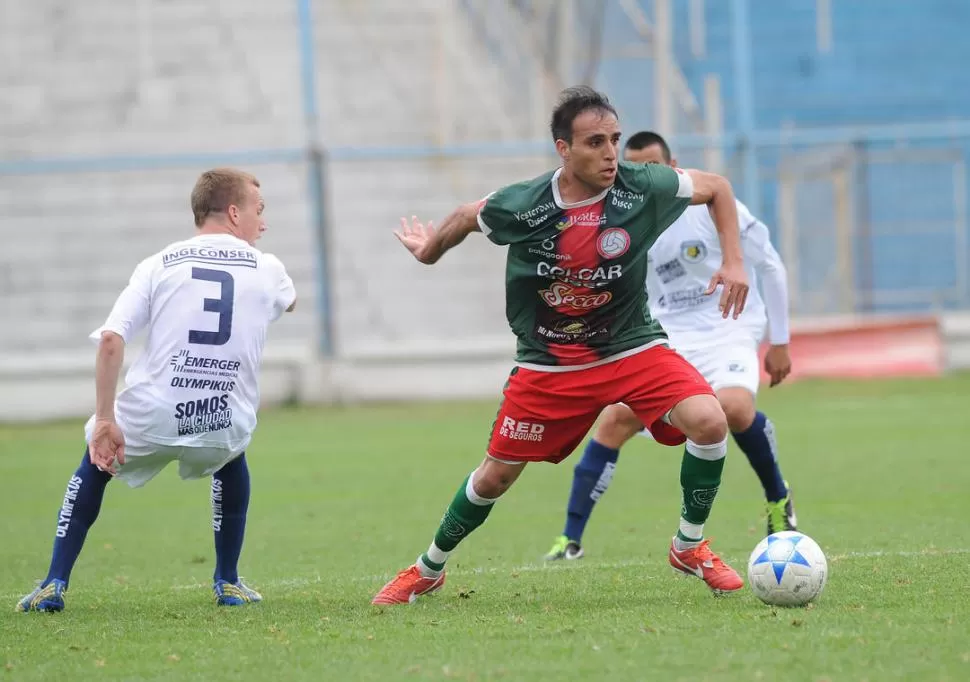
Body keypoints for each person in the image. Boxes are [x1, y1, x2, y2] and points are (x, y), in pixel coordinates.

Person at [371, 86, 751, 606]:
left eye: (615, 139)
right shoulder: (524, 204)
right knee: (495, 477)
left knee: (709, 420)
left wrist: (734, 260)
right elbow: (465, 216)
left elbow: (718, 188)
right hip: (550, 363)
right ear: (563, 150)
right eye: (596, 142)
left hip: (630, 347)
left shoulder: (641, 187)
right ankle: (428, 568)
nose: (611, 152)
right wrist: (428, 252)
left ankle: (689, 544)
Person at [16, 168, 296, 612]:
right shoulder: (270, 267)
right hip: (223, 419)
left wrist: (105, 420)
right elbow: (289, 299)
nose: (264, 224)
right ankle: (227, 580)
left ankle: (54, 583)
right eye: (259, 212)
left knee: (97, 458)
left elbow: (111, 340)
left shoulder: (159, 263)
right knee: (231, 456)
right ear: (233, 211)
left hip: (153, 414)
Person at [544, 131, 797, 563]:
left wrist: (781, 341)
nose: (648, 175)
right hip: (666, 335)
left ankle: (778, 501)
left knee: (733, 410)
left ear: (674, 165)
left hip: (728, 325)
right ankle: (569, 540)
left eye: (655, 166)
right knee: (615, 420)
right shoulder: (619, 220)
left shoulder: (711, 207)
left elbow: (769, 263)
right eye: (637, 168)